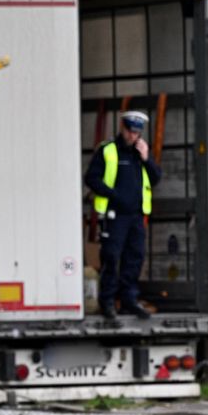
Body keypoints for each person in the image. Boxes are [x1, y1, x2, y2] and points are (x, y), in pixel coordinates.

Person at [85, 110, 162, 322]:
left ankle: (129, 299)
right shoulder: (108, 150)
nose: (132, 136)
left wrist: (146, 158)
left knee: (135, 257)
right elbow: (91, 178)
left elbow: (156, 178)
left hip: (136, 216)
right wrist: (113, 195)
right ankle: (108, 301)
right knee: (111, 257)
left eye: (136, 133)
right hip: (115, 215)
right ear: (123, 128)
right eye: (129, 131)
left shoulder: (140, 153)